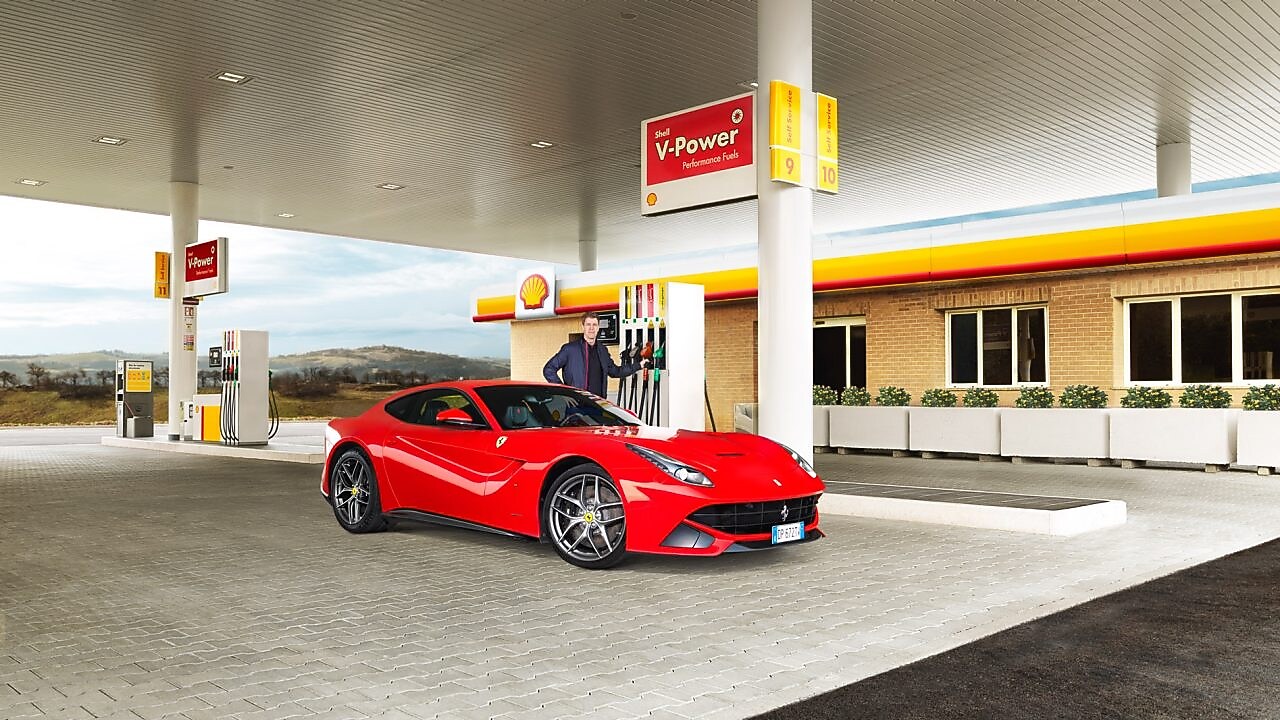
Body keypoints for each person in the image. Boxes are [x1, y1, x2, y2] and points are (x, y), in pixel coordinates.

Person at [543, 312, 643, 397]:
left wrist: (639, 365)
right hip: (577, 405)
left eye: (594, 325)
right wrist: (565, 392)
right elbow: (549, 369)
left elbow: (615, 371)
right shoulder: (570, 349)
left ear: (598, 327)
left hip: (598, 405)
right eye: (588, 325)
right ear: (583, 327)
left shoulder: (602, 350)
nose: (591, 328)